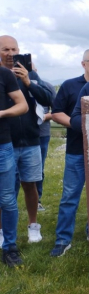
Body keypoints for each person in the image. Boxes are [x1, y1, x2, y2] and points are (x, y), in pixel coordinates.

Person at [49, 50, 89, 257]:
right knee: (70, 196)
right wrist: (77, 124)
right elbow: (56, 112)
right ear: (83, 63)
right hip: (76, 149)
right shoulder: (70, 85)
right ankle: (63, 239)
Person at [0, 35, 53, 243]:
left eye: (14, 49)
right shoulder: (1, 76)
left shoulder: (29, 74)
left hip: (31, 140)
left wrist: (28, 82)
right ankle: (3, 230)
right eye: (6, 49)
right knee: (6, 190)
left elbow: (48, 100)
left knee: (30, 184)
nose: (11, 54)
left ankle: (33, 225)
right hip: (6, 141)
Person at [0, 67, 29, 267]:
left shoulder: (4, 74)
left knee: (7, 199)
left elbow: (22, 105)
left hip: (2, 146)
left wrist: (2, 113)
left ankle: (9, 247)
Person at [36, 80, 56, 211]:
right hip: (20, 134)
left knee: (39, 169)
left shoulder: (46, 86)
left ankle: (37, 200)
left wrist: (43, 117)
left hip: (42, 133)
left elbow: (57, 110)